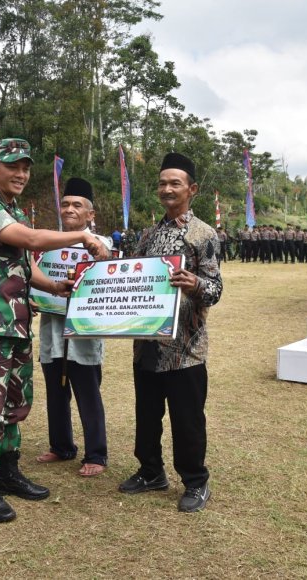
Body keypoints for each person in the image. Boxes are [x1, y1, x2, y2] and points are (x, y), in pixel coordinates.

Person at [0, 138, 110, 523]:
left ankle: (9, 471)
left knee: (13, 403)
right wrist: (83, 236)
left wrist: (56, 287)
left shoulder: (14, 209)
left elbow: (25, 265)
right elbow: (29, 240)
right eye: (13, 166)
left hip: (17, 322)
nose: (21, 174)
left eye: (26, 167)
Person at [118, 152, 223, 513]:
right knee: (146, 416)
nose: (166, 189)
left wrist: (195, 283)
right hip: (146, 344)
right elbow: (132, 278)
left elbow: (216, 289)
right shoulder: (148, 234)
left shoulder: (203, 234)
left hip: (184, 350)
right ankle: (150, 472)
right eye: (162, 183)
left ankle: (195, 481)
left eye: (174, 183)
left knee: (187, 419)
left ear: (191, 189)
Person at [35, 177, 112, 477]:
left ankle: (96, 453)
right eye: (65, 204)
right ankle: (62, 446)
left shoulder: (100, 243)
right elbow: (35, 275)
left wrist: (96, 251)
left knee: (87, 392)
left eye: (77, 205)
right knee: (55, 391)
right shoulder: (48, 242)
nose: (69, 209)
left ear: (90, 214)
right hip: (52, 329)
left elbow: (105, 263)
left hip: (84, 335)